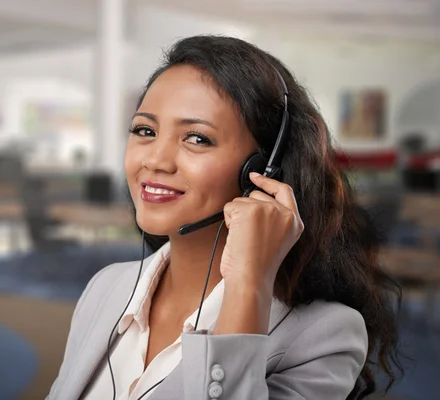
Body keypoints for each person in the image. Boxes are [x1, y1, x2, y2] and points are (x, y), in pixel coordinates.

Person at [47, 35, 402, 400]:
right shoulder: (107, 288)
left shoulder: (324, 336)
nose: (154, 160)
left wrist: (249, 283)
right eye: (145, 131)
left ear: (265, 168)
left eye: (197, 139)